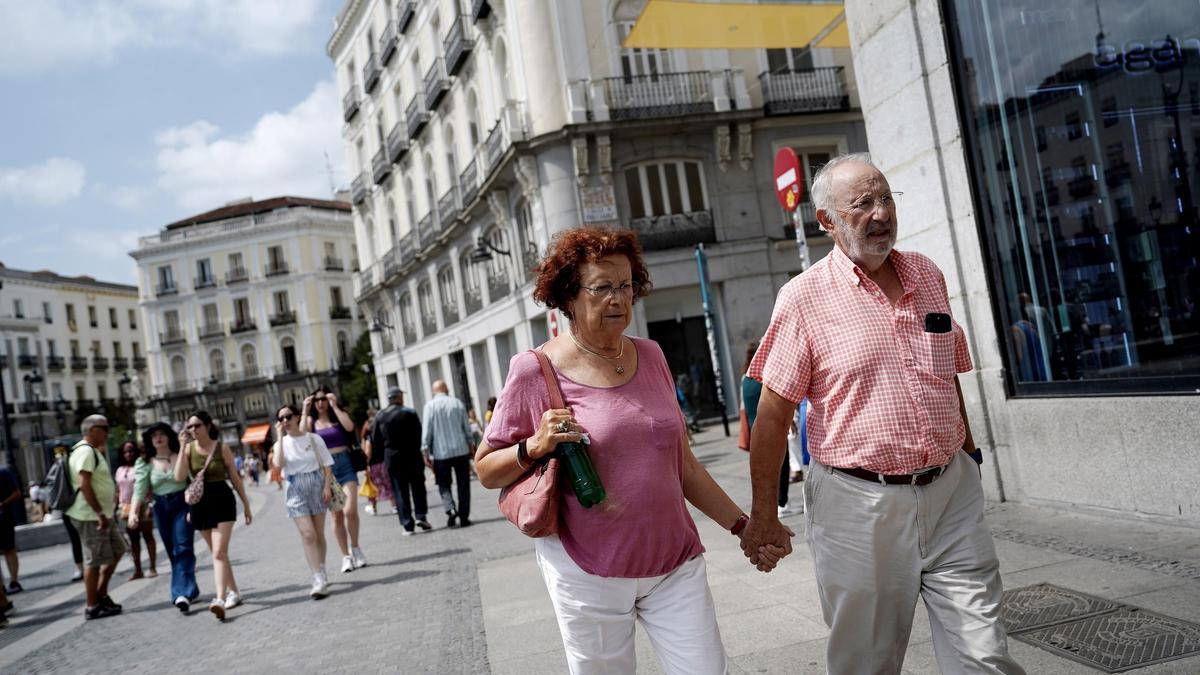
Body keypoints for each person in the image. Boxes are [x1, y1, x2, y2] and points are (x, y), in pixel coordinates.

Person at [742, 153, 1024, 674]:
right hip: (858, 506)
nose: (881, 212)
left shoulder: (926, 274)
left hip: (951, 496)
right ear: (826, 221)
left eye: (886, 197)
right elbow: (772, 412)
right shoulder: (802, 299)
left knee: (985, 656)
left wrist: (968, 455)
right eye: (862, 203)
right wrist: (763, 515)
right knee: (866, 663)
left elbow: (947, 375)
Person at [476, 226, 784, 674]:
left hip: (673, 561)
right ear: (568, 295)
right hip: (587, 571)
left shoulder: (652, 355)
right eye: (602, 288)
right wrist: (534, 445)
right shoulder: (534, 370)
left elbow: (685, 465)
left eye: (626, 286)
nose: (618, 299)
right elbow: (486, 469)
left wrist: (743, 527)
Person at [175, 410, 253, 621]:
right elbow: (179, 476)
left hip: (222, 500)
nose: (193, 430)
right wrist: (182, 447)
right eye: (189, 426)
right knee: (219, 554)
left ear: (208, 426)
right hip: (199, 504)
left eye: (197, 425)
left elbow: (235, 478)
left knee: (219, 553)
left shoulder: (221, 448)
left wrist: (246, 504)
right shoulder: (189, 449)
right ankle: (234, 592)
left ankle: (219, 599)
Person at [129, 422, 199, 613]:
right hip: (161, 507)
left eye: (162, 434)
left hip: (182, 504)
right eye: (154, 436)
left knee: (183, 546)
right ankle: (190, 587)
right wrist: (134, 512)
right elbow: (140, 488)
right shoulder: (145, 462)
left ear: (169, 436)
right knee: (172, 550)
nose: (158, 438)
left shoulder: (182, 454)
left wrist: (195, 508)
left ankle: (180, 594)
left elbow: (193, 481)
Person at [301, 386, 366, 572]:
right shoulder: (311, 422)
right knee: (336, 515)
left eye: (323, 399)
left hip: (345, 464)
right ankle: (345, 556)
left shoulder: (338, 416)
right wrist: (305, 410)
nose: (320, 403)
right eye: (317, 400)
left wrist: (335, 406)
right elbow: (302, 435)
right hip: (326, 471)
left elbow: (350, 427)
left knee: (350, 510)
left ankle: (356, 548)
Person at [272, 404, 334, 599]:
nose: (285, 421)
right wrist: (279, 438)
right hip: (295, 487)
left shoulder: (313, 439)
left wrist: (326, 486)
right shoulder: (280, 444)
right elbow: (279, 465)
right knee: (308, 535)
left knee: (318, 533)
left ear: (297, 417)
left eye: (288, 416)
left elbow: (327, 464)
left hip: (316, 484)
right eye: (280, 418)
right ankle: (317, 578)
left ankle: (321, 568)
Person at [66, 415, 125, 619]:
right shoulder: (85, 451)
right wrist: (99, 513)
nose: (107, 432)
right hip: (90, 515)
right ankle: (92, 605)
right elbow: (84, 484)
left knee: (119, 549)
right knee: (93, 560)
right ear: (91, 430)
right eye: (104, 428)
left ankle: (101, 594)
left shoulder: (92, 451)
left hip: (101, 514)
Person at [371, 388, 430, 535]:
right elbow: (419, 434)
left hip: (392, 456)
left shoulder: (380, 416)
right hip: (412, 455)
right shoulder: (409, 412)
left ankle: (407, 524)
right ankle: (420, 515)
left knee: (399, 490)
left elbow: (375, 440)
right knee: (418, 486)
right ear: (399, 397)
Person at [422, 381, 474, 528]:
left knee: (444, 484)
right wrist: (471, 447)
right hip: (461, 450)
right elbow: (467, 428)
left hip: (440, 453)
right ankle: (464, 517)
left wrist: (425, 452)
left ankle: (450, 508)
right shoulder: (457, 403)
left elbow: (427, 432)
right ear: (446, 389)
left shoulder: (430, 407)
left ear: (434, 391)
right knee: (463, 484)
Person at [115, 441, 158, 581]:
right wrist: (117, 506)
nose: (129, 454)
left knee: (148, 536)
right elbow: (118, 490)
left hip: (143, 504)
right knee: (133, 540)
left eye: (132, 451)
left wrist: (150, 504)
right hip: (127, 507)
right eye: (126, 451)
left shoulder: (141, 466)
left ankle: (152, 567)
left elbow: (149, 486)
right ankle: (138, 569)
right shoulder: (120, 470)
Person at [50, 444, 85, 582]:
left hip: (78, 506)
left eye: (61, 451)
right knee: (76, 539)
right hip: (69, 508)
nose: (59, 454)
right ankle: (80, 568)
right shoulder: (57, 467)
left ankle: (86, 567)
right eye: (57, 452)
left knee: (82, 539)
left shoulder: (74, 464)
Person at [362, 412, 395, 516]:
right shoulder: (383, 435)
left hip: (374, 466)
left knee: (372, 487)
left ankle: (373, 507)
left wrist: (365, 465)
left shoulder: (369, 438)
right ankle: (394, 506)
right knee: (388, 484)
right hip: (384, 463)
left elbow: (368, 452)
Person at [0, 463, 21, 594]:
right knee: (9, 550)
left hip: (4, 517)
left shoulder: (3, 472)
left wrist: (3, 503)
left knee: (9, 550)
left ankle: (14, 580)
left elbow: (17, 493)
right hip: (5, 517)